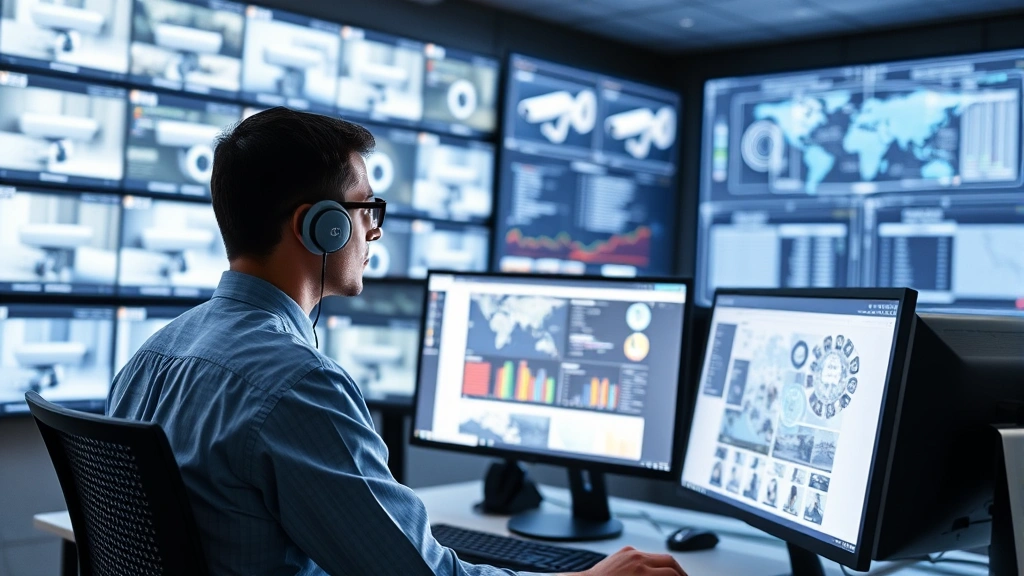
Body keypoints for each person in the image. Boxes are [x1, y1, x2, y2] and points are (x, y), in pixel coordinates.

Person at [107, 107, 688, 576]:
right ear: (321, 226)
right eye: (367, 208)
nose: (375, 230)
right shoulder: (297, 386)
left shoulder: (150, 357)